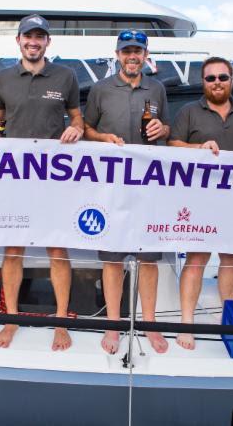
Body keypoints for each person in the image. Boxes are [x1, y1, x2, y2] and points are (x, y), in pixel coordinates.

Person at [0, 14, 84, 351]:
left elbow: (77, 119)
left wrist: (77, 129)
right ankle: (11, 319)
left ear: (47, 43)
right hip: (15, 177)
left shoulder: (66, 76)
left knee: (58, 249)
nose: (34, 42)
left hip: (55, 177)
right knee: (14, 250)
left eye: (40, 37)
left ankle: (60, 321)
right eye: (28, 37)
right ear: (19, 41)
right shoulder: (2, 78)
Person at [84, 29, 170, 355]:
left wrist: (163, 128)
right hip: (111, 185)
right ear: (117, 54)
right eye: (126, 51)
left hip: (148, 185)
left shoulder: (157, 88)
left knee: (149, 258)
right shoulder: (100, 89)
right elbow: (86, 129)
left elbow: (168, 129)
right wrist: (102, 137)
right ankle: (113, 324)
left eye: (138, 51)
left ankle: (148, 323)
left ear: (146, 55)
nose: (132, 56)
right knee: (112, 258)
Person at [167, 56, 233, 350]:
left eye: (223, 77)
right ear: (203, 82)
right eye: (211, 78)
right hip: (199, 200)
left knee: (231, 260)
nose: (217, 83)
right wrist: (199, 147)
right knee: (196, 259)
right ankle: (186, 324)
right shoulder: (188, 112)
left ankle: (228, 321)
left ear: (232, 80)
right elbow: (171, 145)